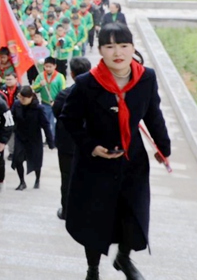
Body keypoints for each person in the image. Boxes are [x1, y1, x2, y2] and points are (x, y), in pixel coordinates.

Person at [60, 23, 171, 280]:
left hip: (132, 160)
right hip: (95, 164)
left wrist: (163, 147)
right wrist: (91, 147)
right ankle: (93, 269)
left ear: (133, 47)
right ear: (100, 50)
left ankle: (123, 257)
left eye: (123, 45)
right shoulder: (87, 83)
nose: (117, 52)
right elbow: (69, 119)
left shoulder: (146, 78)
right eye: (109, 46)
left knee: (132, 213)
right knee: (95, 220)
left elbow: (154, 114)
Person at [51, 56, 91, 220]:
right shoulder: (98, 94)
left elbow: (57, 113)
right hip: (90, 145)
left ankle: (67, 211)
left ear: (72, 74)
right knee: (87, 177)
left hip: (67, 144)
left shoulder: (64, 95)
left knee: (67, 177)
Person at [10, 86, 54, 190]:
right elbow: (12, 118)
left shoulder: (38, 108)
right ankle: (22, 181)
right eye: (20, 97)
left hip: (34, 137)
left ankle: (37, 179)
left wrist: (50, 141)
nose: (22, 100)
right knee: (18, 159)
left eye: (24, 98)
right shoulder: (17, 105)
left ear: (31, 97)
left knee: (36, 160)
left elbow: (46, 125)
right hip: (20, 136)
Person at [32, 56, 65, 136]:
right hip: (45, 103)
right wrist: (40, 85)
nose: (48, 68)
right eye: (46, 66)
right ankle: (49, 138)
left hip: (56, 104)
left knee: (54, 122)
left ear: (55, 66)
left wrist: (57, 102)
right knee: (46, 122)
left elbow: (63, 92)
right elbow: (34, 89)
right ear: (43, 66)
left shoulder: (60, 77)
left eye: (50, 66)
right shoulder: (40, 76)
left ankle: (54, 139)